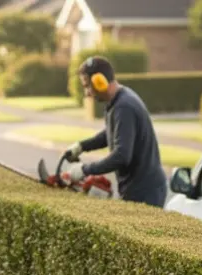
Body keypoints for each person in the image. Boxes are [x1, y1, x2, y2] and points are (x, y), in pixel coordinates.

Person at [60, 56, 168, 207]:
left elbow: (122, 156)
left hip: (144, 192)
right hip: (140, 189)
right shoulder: (119, 100)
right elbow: (111, 133)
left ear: (100, 82)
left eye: (87, 86)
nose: (87, 93)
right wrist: (82, 146)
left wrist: (85, 170)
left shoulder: (123, 107)